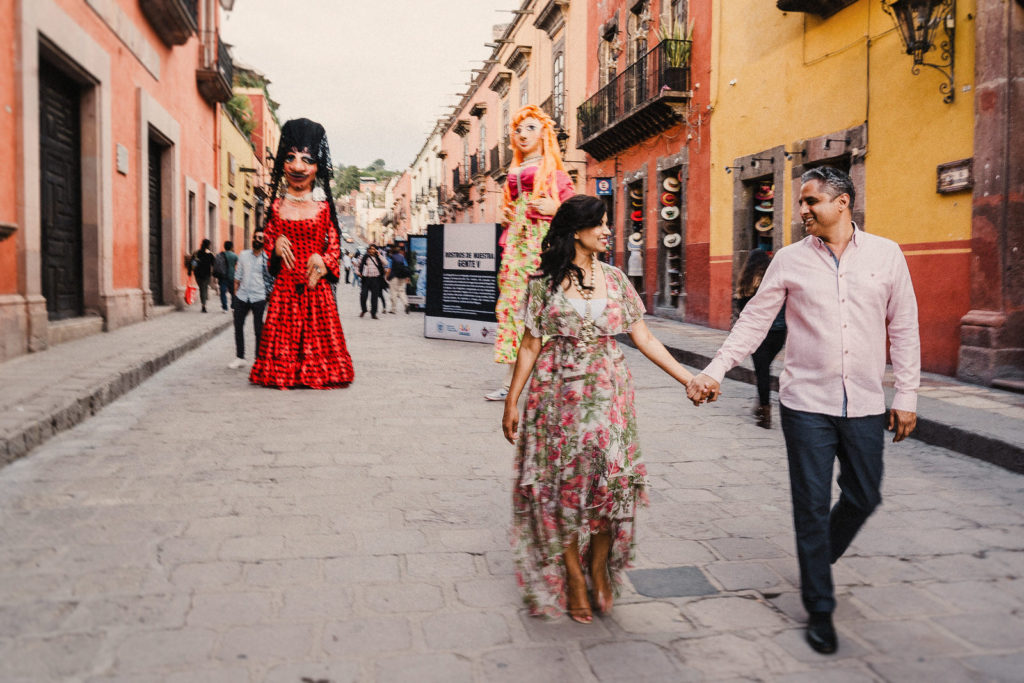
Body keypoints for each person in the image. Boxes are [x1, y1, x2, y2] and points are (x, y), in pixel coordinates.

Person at [687, 167, 920, 654]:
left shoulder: (886, 255)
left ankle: (818, 555)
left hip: (864, 403)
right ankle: (820, 606)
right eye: (801, 202)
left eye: (812, 201)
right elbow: (754, 321)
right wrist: (715, 370)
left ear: (842, 203)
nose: (803, 211)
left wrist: (907, 395)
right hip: (805, 404)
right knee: (811, 506)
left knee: (864, 495)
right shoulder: (789, 260)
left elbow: (905, 328)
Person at [502, 195, 700, 623]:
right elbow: (531, 344)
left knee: (611, 486)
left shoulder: (615, 279)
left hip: (610, 394)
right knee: (562, 489)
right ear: (576, 230)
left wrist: (689, 378)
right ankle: (574, 576)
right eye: (601, 224)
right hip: (556, 397)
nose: (609, 231)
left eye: (609, 223)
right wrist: (512, 401)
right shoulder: (542, 284)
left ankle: (598, 565)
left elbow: (644, 338)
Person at [249, 118, 354, 389]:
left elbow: (334, 247)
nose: (297, 166)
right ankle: (284, 372)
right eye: (291, 158)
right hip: (284, 292)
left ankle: (315, 372)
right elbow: (267, 240)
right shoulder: (274, 208)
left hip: (315, 288)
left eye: (306, 159)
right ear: (283, 164)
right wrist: (274, 246)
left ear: (317, 166)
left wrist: (323, 259)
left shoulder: (323, 209)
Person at [487, 104, 576, 401]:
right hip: (517, 252)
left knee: (546, 311)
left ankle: (551, 379)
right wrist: (509, 217)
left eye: (530, 128)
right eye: (518, 129)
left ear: (544, 134)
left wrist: (557, 208)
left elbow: (578, 213)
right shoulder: (515, 172)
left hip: (545, 251)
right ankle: (511, 382)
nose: (522, 134)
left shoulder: (557, 176)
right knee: (514, 311)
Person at [734, 249, 787, 428]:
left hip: (759, 333)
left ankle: (765, 412)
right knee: (765, 368)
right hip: (779, 334)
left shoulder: (746, 283)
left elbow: (742, 310)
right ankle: (761, 402)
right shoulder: (777, 280)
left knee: (762, 371)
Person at [229, 230, 272, 369]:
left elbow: (272, 279)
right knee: (238, 327)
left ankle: (258, 359)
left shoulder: (267, 258)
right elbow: (238, 276)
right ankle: (240, 357)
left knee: (259, 329)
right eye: (255, 237)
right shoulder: (243, 255)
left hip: (259, 297)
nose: (256, 240)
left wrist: (269, 297)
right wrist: (235, 297)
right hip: (242, 296)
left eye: (260, 238)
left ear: (264, 241)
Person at [357, 244, 387, 319]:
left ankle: (373, 313)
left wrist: (379, 254)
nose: (371, 250)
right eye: (370, 249)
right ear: (368, 249)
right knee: (363, 295)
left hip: (376, 279)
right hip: (366, 279)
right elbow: (357, 266)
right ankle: (364, 310)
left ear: (376, 250)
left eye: (373, 249)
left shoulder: (378, 258)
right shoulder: (364, 257)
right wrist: (358, 273)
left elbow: (386, 263)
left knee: (374, 297)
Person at [191, 239, 216, 313]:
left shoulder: (197, 252)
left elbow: (193, 263)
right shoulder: (210, 254)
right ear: (208, 245)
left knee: (202, 288)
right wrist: (214, 272)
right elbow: (214, 264)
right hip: (206, 274)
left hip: (197, 274)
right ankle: (204, 305)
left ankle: (203, 304)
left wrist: (190, 271)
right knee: (204, 289)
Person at [387, 244, 411, 314]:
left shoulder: (391, 257)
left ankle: (393, 309)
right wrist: (407, 277)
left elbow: (389, 268)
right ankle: (406, 304)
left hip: (394, 277)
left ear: (391, 251)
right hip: (402, 276)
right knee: (402, 291)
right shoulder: (402, 257)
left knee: (394, 292)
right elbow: (406, 267)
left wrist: (387, 276)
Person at [215, 241, 238, 313]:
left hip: (223, 276)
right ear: (231, 247)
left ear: (224, 247)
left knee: (223, 292)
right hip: (232, 276)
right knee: (233, 292)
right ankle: (233, 307)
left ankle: (224, 308)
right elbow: (238, 264)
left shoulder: (220, 255)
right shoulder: (234, 256)